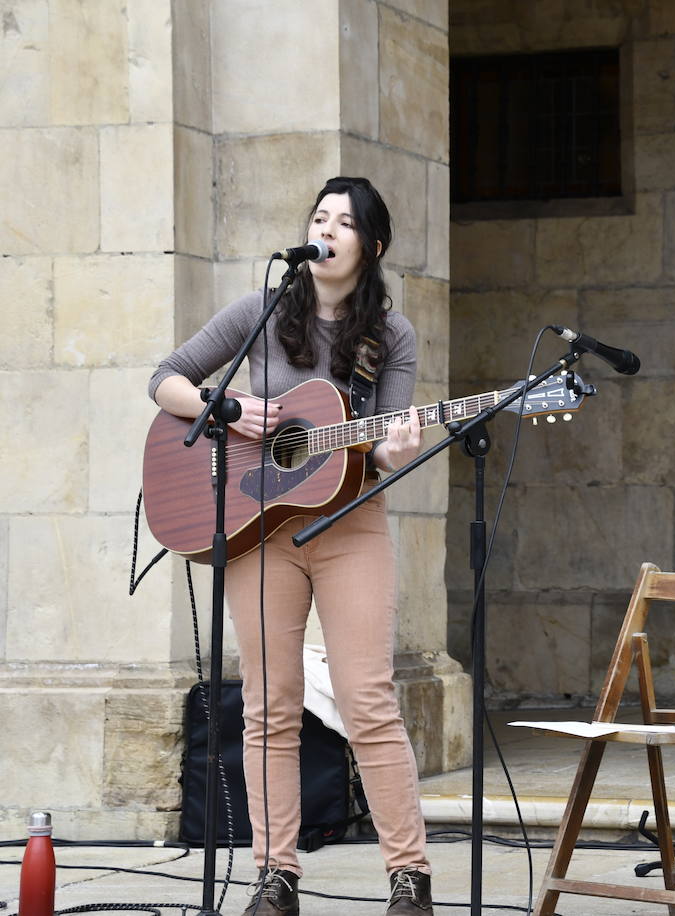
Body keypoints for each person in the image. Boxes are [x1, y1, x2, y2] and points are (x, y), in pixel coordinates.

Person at [149, 176, 433, 916]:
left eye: (343, 222)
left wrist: (393, 450)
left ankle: (409, 877)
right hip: (258, 528)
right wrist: (236, 409)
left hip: (350, 529)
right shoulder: (261, 310)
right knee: (268, 706)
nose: (326, 230)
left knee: (369, 700)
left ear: (371, 247)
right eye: (318, 217)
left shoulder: (390, 336)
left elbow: (378, 448)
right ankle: (275, 877)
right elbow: (168, 382)